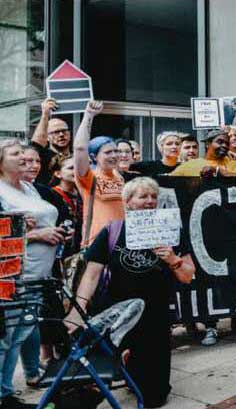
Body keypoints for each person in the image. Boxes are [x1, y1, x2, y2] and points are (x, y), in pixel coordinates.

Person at [66, 177, 195, 407]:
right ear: (128, 202)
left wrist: (173, 259)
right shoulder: (113, 231)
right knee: (96, 374)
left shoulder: (171, 231)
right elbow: (92, 273)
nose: (149, 201)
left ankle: (135, 370)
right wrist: (79, 308)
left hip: (154, 311)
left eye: (153, 197)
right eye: (142, 196)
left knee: (154, 397)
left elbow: (188, 275)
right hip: (117, 309)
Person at [0, 139, 65, 409]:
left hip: (38, 273)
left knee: (20, 335)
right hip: (13, 276)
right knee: (6, 338)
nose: (25, 158)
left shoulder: (27, 187)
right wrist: (36, 233)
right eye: (16, 154)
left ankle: (5, 393)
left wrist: (57, 233)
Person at [73, 101, 125, 247]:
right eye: (108, 152)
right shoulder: (88, 178)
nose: (114, 155)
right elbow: (79, 148)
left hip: (121, 244)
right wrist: (88, 115)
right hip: (97, 244)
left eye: (116, 151)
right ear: (94, 157)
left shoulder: (120, 177)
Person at [30, 98, 72, 185]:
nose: (61, 134)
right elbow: (36, 145)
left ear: (69, 133)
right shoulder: (43, 156)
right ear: (47, 137)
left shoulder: (76, 156)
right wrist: (45, 114)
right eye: (56, 132)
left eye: (64, 130)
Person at [169, 129, 236, 177]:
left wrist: (217, 170)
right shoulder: (191, 165)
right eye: (220, 142)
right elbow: (168, 181)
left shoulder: (233, 164)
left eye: (227, 143)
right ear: (208, 144)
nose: (224, 146)